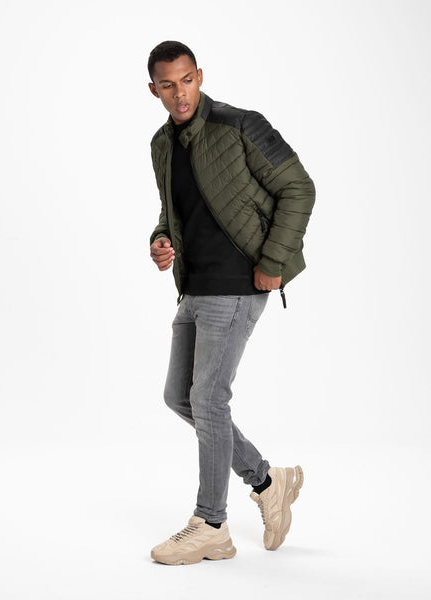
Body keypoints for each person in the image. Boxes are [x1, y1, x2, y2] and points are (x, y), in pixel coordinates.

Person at [147, 40, 316, 566]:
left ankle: (211, 525)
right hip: (194, 286)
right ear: (154, 90)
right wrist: (160, 240)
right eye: (168, 85)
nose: (180, 94)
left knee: (208, 398)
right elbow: (172, 210)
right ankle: (268, 482)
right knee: (181, 397)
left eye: (186, 80)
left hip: (240, 282)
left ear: (200, 76)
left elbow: (299, 188)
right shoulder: (161, 143)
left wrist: (274, 260)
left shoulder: (241, 124)